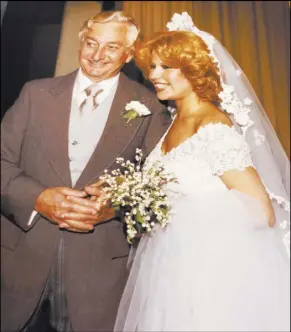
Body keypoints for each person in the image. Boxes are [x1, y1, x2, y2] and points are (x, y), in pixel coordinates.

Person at [113, 13, 290, 332]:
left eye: (166, 67)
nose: (155, 75)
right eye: (152, 67)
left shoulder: (214, 128)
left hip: (211, 278)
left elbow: (262, 213)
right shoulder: (172, 124)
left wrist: (183, 217)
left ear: (194, 70)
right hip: (170, 273)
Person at [1, 10, 172, 332]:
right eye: (92, 43)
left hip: (99, 272)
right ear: (81, 42)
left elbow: (158, 185)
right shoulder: (34, 93)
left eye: (110, 47)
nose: (97, 55)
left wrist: (113, 206)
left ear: (129, 53)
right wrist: (38, 198)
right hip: (21, 259)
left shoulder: (150, 106)